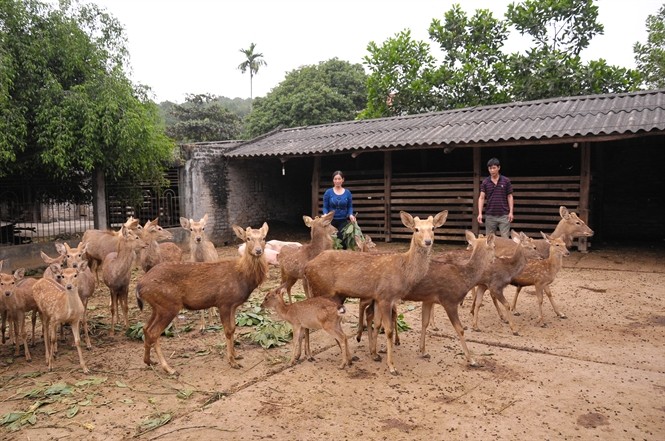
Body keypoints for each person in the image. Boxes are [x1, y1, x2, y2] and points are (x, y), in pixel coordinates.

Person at [477, 157, 513, 238]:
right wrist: (479, 213)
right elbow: (481, 197)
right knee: (489, 240)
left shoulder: (506, 181)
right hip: (490, 215)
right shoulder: (485, 182)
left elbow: (510, 196)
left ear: (499, 168)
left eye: (494, 168)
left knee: (505, 240)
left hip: (504, 215)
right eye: (490, 168)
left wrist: (511, 212)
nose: (492, 170)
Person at [322, 170, 356, 248]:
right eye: (335, 179)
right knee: (331, 240)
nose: (337, 181)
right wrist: (325, 214)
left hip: (343, 220)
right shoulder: (328, 192)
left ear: (343, 180)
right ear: (333, 180)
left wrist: (351, 215)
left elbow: (350, 206)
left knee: (342, 238)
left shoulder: (347, 193)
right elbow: (325, 207)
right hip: (331, 221)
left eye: (339, 179)